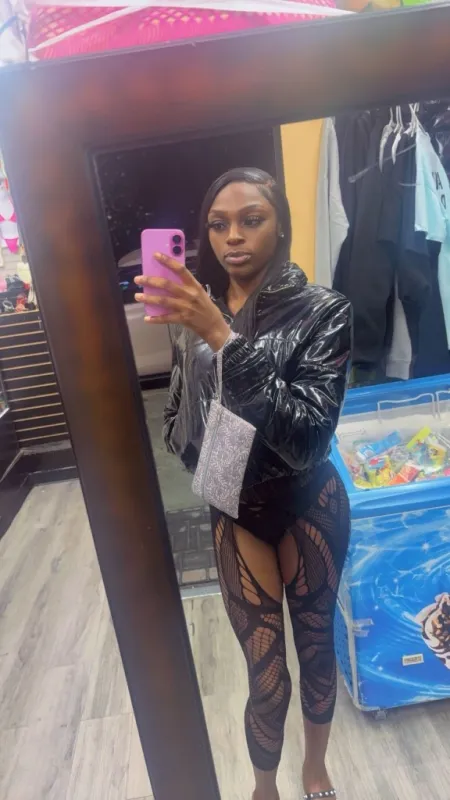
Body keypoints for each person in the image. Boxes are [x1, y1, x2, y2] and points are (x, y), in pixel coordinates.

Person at [135, 168, 352, 800]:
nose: (233, 236)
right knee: (265, 674)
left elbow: (307, 437)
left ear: (280, 225)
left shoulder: (324, 310)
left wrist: (221, 337)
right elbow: (176, 418)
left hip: (309, 497)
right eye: (218, 224)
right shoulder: (191, 310)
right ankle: (263, 787)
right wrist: (206, 453)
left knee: (317, 649)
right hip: (237, 505)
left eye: (251, 219)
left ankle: (316, 768)